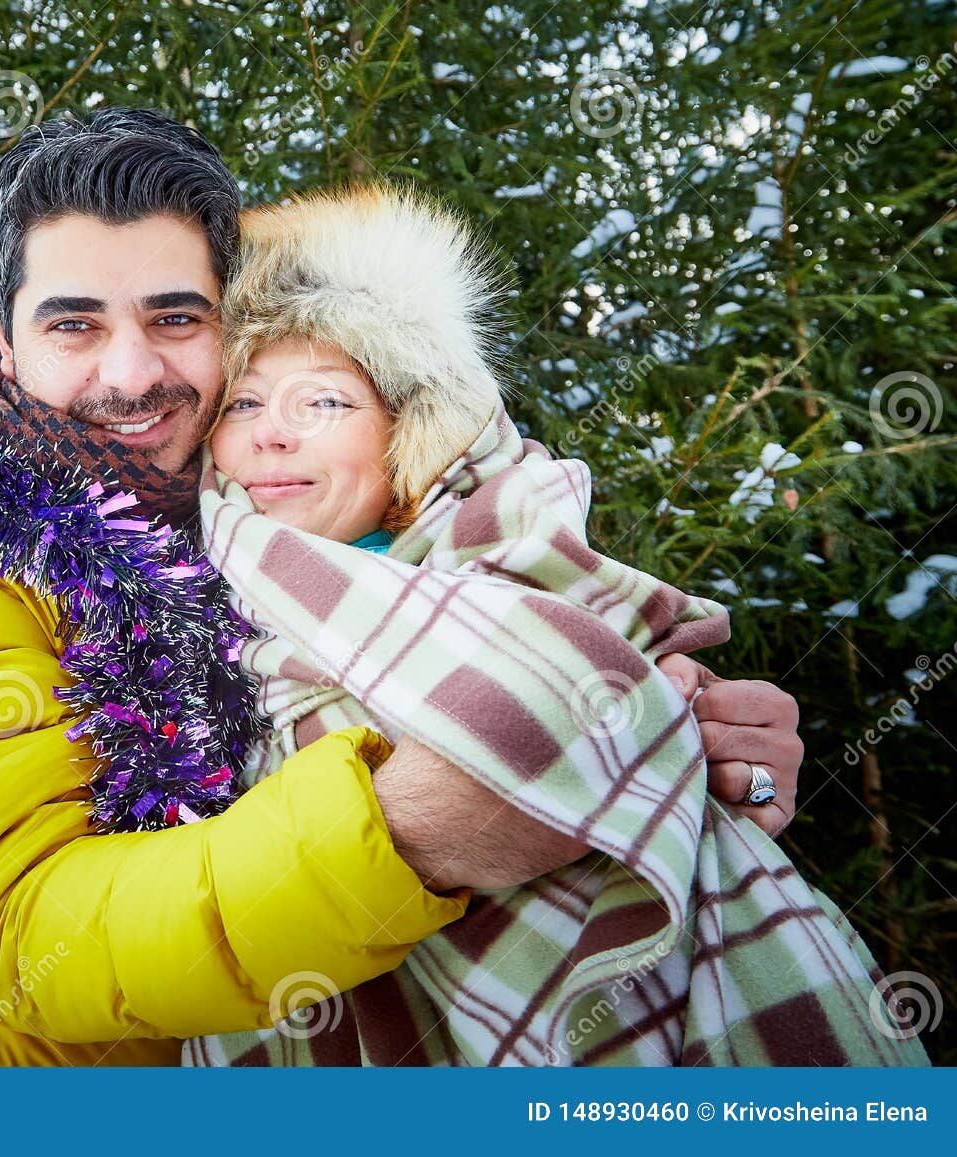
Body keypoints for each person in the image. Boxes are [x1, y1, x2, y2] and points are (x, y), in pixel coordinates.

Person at [0, 107, 806, 1066]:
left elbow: (468, 620)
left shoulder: (262, 501)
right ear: (4, 334)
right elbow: (24, 934)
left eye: (174, 317)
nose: (130, 374)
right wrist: (399, 835)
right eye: (72, 324)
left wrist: (675, 751)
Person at [182, 183, 925, 1065]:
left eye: (324, 402)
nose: (272, 436)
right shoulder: (162, 607)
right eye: (242, 403)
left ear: (405, 428)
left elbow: (690, 765)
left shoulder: (516, 557)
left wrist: (726, 769)